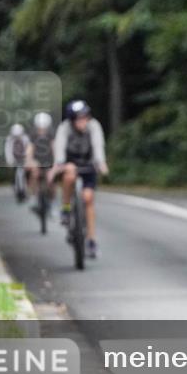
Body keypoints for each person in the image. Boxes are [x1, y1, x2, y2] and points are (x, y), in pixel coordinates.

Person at [50, 100, 108, 258]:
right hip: (70, 164)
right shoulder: (64, 128)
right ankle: (66, 208)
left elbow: (98, 145)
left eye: (85, 117)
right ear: (71, 119)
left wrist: (101, 163)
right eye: (78, 118)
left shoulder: (94, 126)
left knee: (88, 198)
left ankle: (91, 240)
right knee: (69, 175)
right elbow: (60, 147)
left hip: (88, 165)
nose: (83, 121)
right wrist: (59, 164)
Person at [26, 112, 56, 211]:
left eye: (44, 128)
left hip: (49, 159)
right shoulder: (33, 135)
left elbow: (54, 148)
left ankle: (52, 202)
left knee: (50, 179)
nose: (41, 131)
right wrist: (29, 160)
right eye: (39, 128)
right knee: (34, 173)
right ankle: (33, 196)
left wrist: (56, 162)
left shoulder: (51, 134)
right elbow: (30, 149)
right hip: (37, 159)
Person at [5, 123, 30, 199]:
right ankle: (17, 189)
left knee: (22, 175)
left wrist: (27, 159)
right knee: (17, 175)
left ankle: (23, 190)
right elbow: (8, 150)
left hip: (24, 159)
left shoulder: (26, 138)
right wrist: (9, 160)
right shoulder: (9, 139)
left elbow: (28, 148)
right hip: (15, 160)